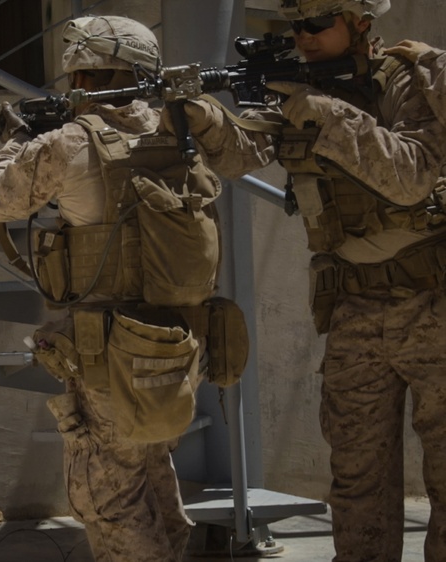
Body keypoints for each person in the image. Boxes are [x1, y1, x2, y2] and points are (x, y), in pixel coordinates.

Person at [166, 1, 446, 559]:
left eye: (318, 23)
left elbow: (412, 176)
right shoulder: (298, 87)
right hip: (354, 306)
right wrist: (203, 114)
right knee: (358, 478)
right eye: (296, 26)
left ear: (360, 22)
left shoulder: (410, 80)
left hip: (433, 302)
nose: (304, 37)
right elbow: (241, 153)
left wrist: (327, 113)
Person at [0, 15, 244, 562]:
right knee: (152, 472)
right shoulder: (178, 130)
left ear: (81, 77)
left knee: (108, 500)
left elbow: (0, 200)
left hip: (108, 356)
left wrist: (12, 141)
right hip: (179, 344)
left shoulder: (71, 141)